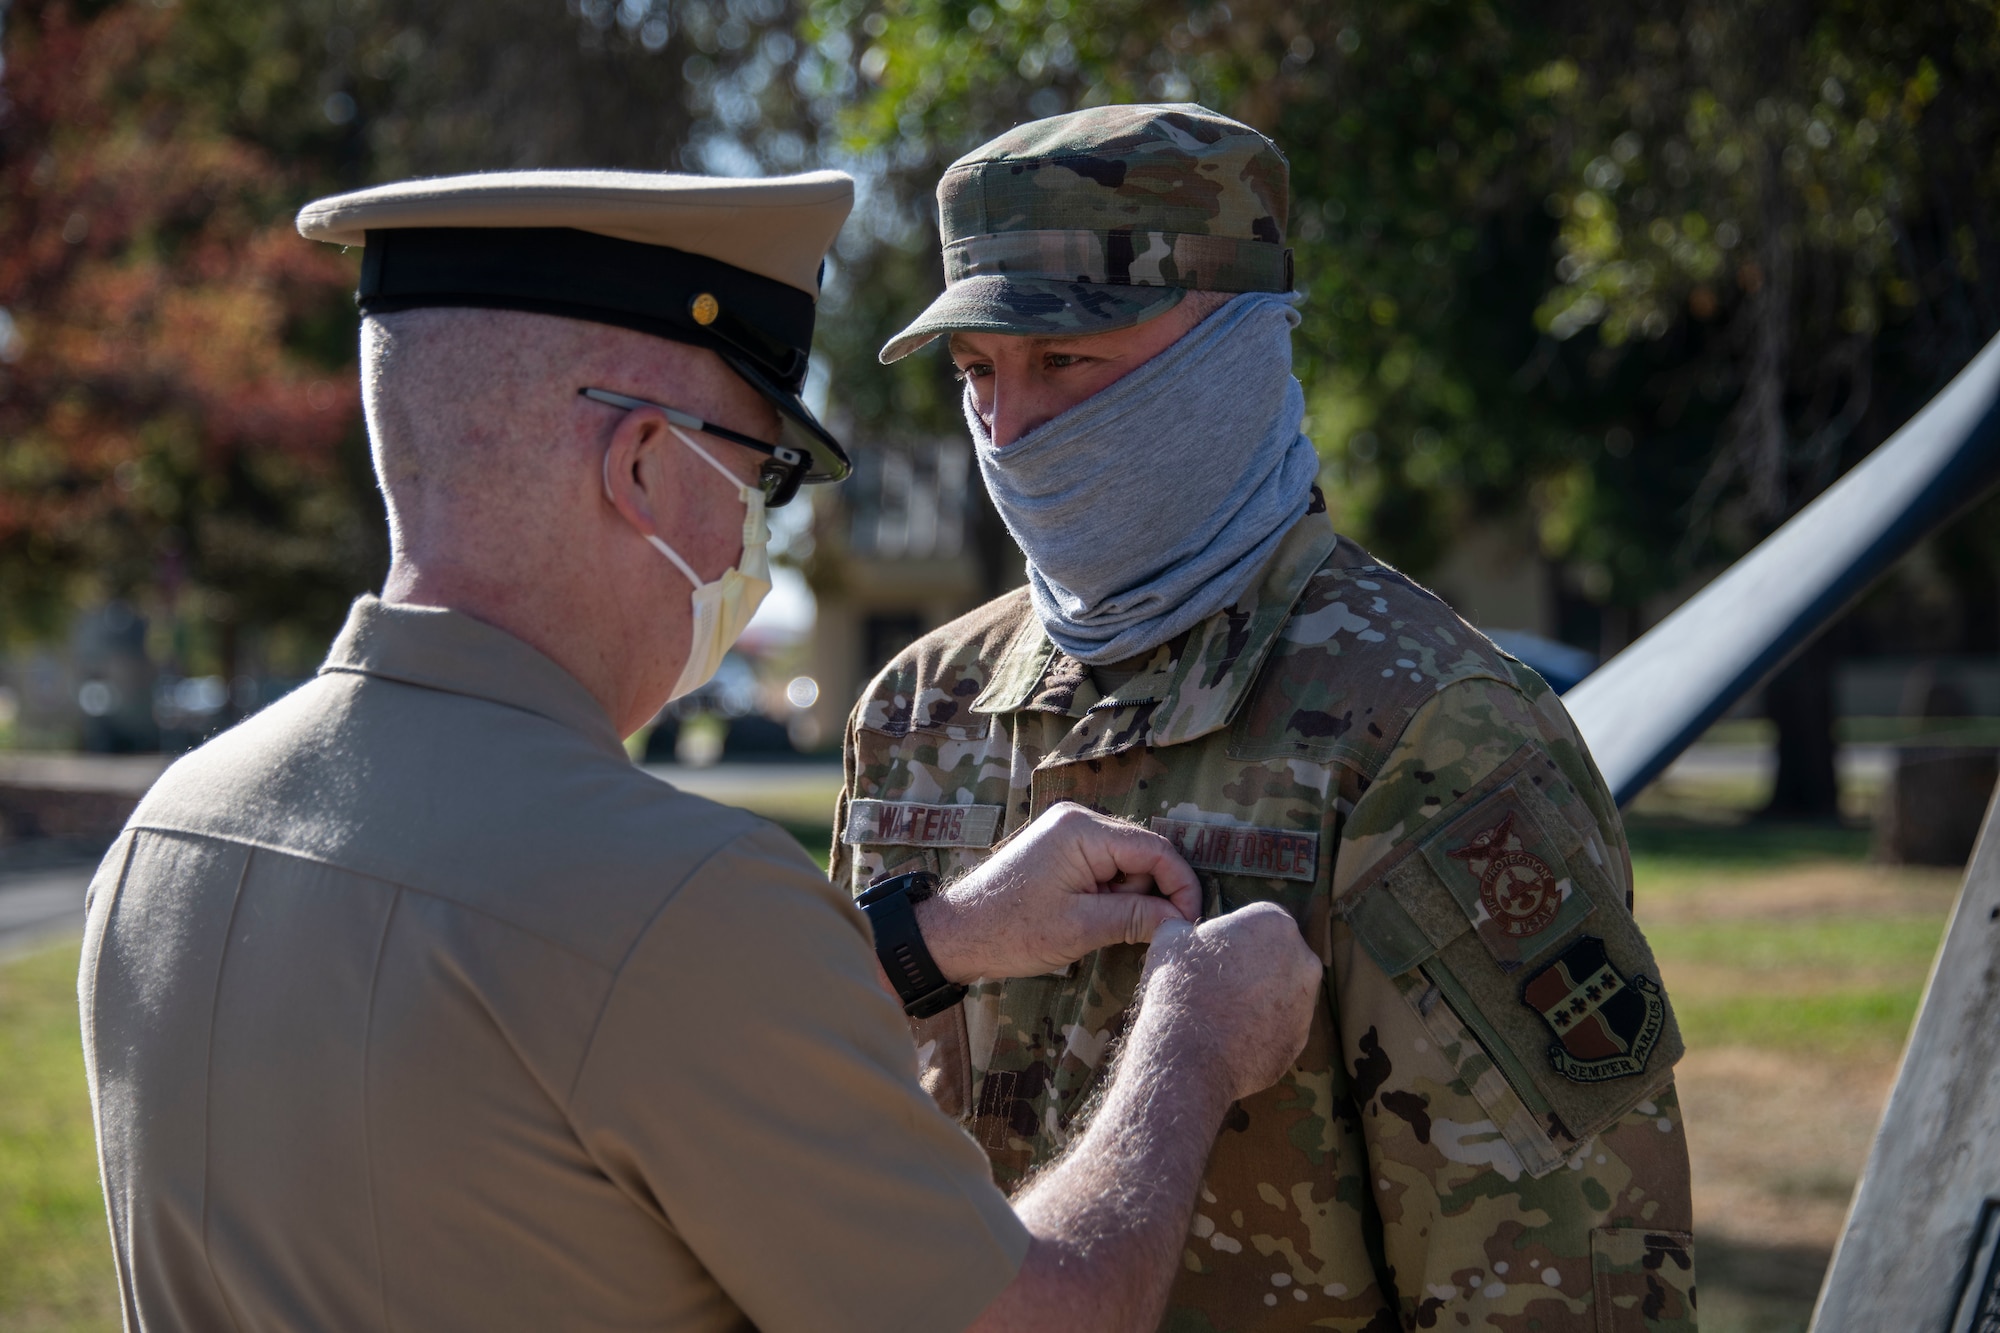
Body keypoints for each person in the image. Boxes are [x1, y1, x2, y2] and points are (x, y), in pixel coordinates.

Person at [76, 167, 1324, 1333]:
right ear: (638, 463)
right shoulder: (678, 906)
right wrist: (1193, 1043)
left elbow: (547, 1075)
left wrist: (927, 941)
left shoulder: (167, 835)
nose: (756, 528)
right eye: (762, 468)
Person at [835, 106, 1698, 1331]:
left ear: (1231, 348)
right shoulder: (915, 709)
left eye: (1065, 360)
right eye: (976, 371)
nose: (1008, 430)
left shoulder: (1427, 732)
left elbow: (1553, 1289)